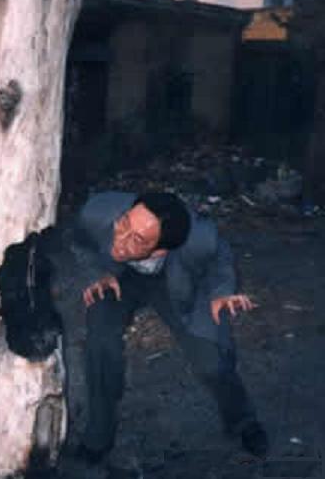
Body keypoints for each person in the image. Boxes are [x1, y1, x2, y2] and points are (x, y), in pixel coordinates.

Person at [72, 190, 268, 464]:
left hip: (174, 280)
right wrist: (97, 273)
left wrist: (221, 291)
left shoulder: (198, 238)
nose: (121, 239)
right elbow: (80, 241)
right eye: (124, 224)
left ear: (160, 249)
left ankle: (243, 422)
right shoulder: (98, 212)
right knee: (100, 346)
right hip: (117, 277)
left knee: (211, 360)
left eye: (137, 239)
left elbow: (220, 256)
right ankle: (98, 436)